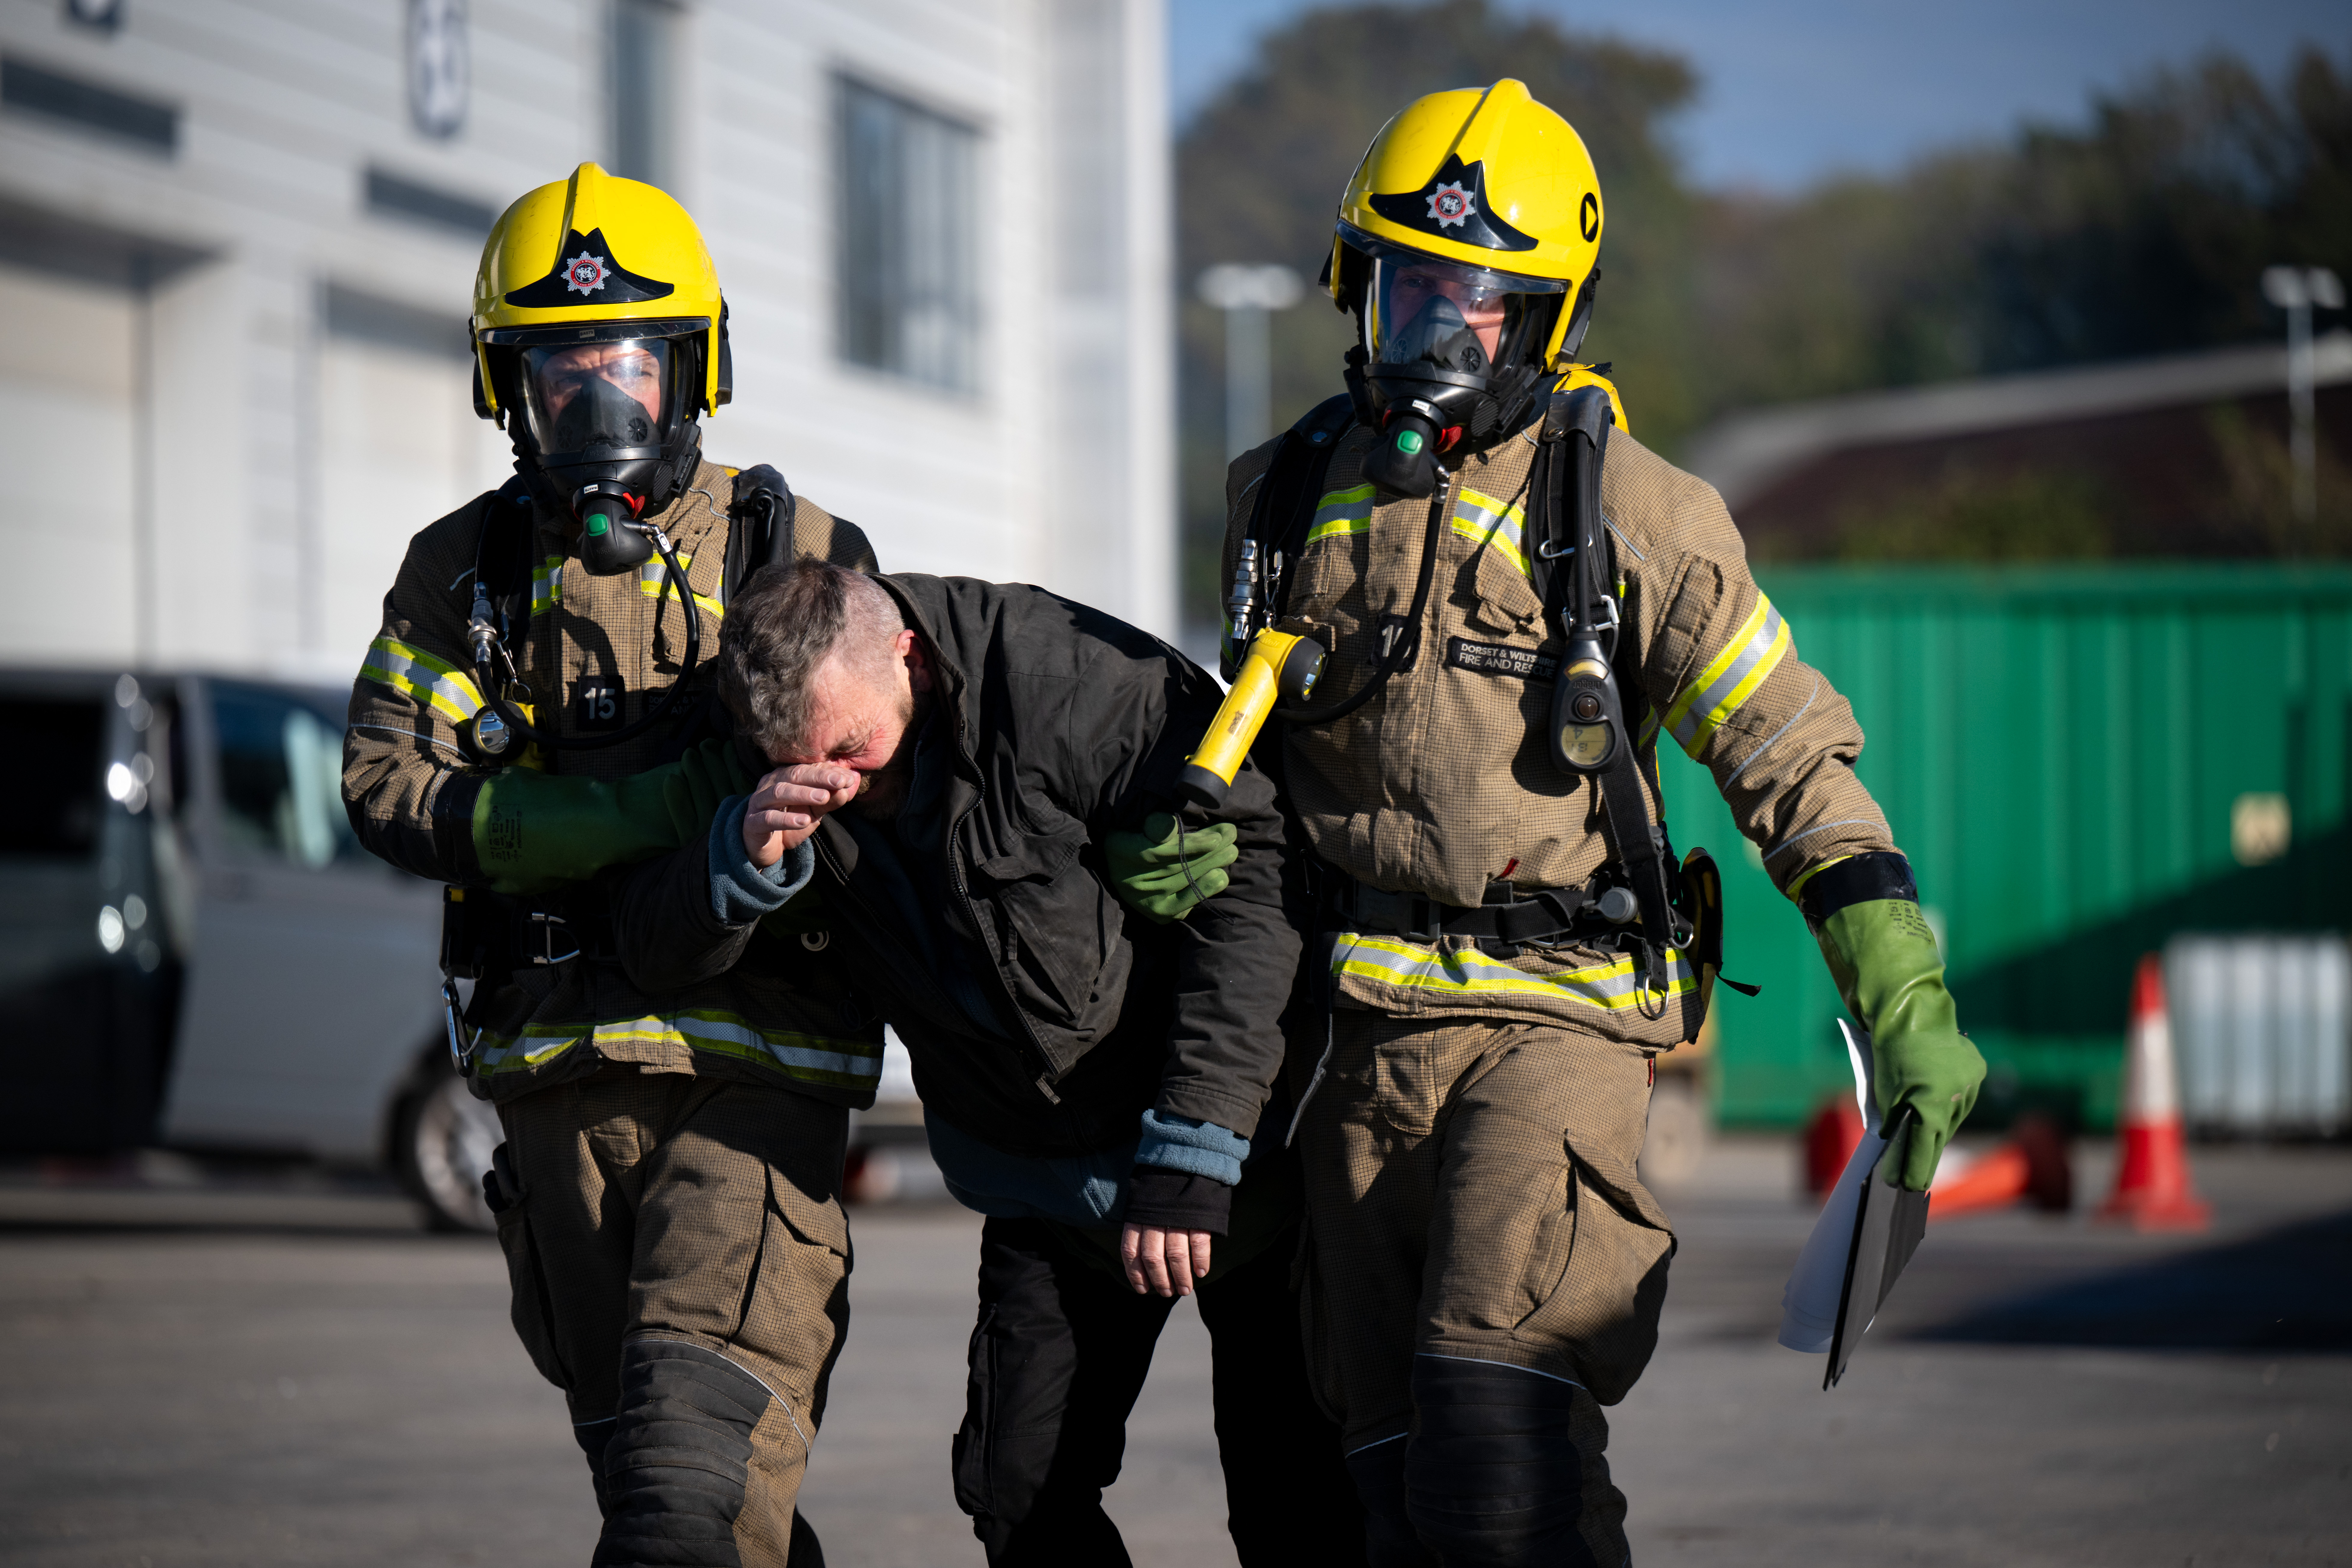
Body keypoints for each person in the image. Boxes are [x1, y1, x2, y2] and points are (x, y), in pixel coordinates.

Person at [1214, 80, 1989, 1565]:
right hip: (1352, 1047)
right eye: (1403, 291)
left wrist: (1901, 992)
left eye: (1477, 306)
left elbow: (1789, 755)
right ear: (1348, 284)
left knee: (1490, 1455)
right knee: (1394, 1497)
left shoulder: (1636, 515)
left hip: (1555, 1025)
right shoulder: (1284, 499)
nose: (1433, 337)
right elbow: (1243, 766)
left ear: (1545, 320)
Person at [342, 162, 885, 1566]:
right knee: (667, 1483)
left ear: (694, 370)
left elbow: (879, 777)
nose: (595, 412)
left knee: (679, 1490)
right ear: (501, 387)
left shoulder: (800, 554)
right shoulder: (461, 572)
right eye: (557, 375)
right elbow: (385, 780)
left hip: (756, 1070)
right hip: (553, 1078)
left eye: (626, 371)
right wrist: (644, 813)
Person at [609, 560, 1366, 1566]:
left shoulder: (1067, 678)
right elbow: (649, 947)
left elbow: (1258, 885)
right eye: (802, 764)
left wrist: (1198, 1141)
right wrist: (736, 861)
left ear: (906, 655)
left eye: (856, 749)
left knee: (1294, 1505)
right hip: (1034, 1176)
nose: (842, 785)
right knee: (1018, 1494)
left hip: (1231, 1164)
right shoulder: (751, 746)